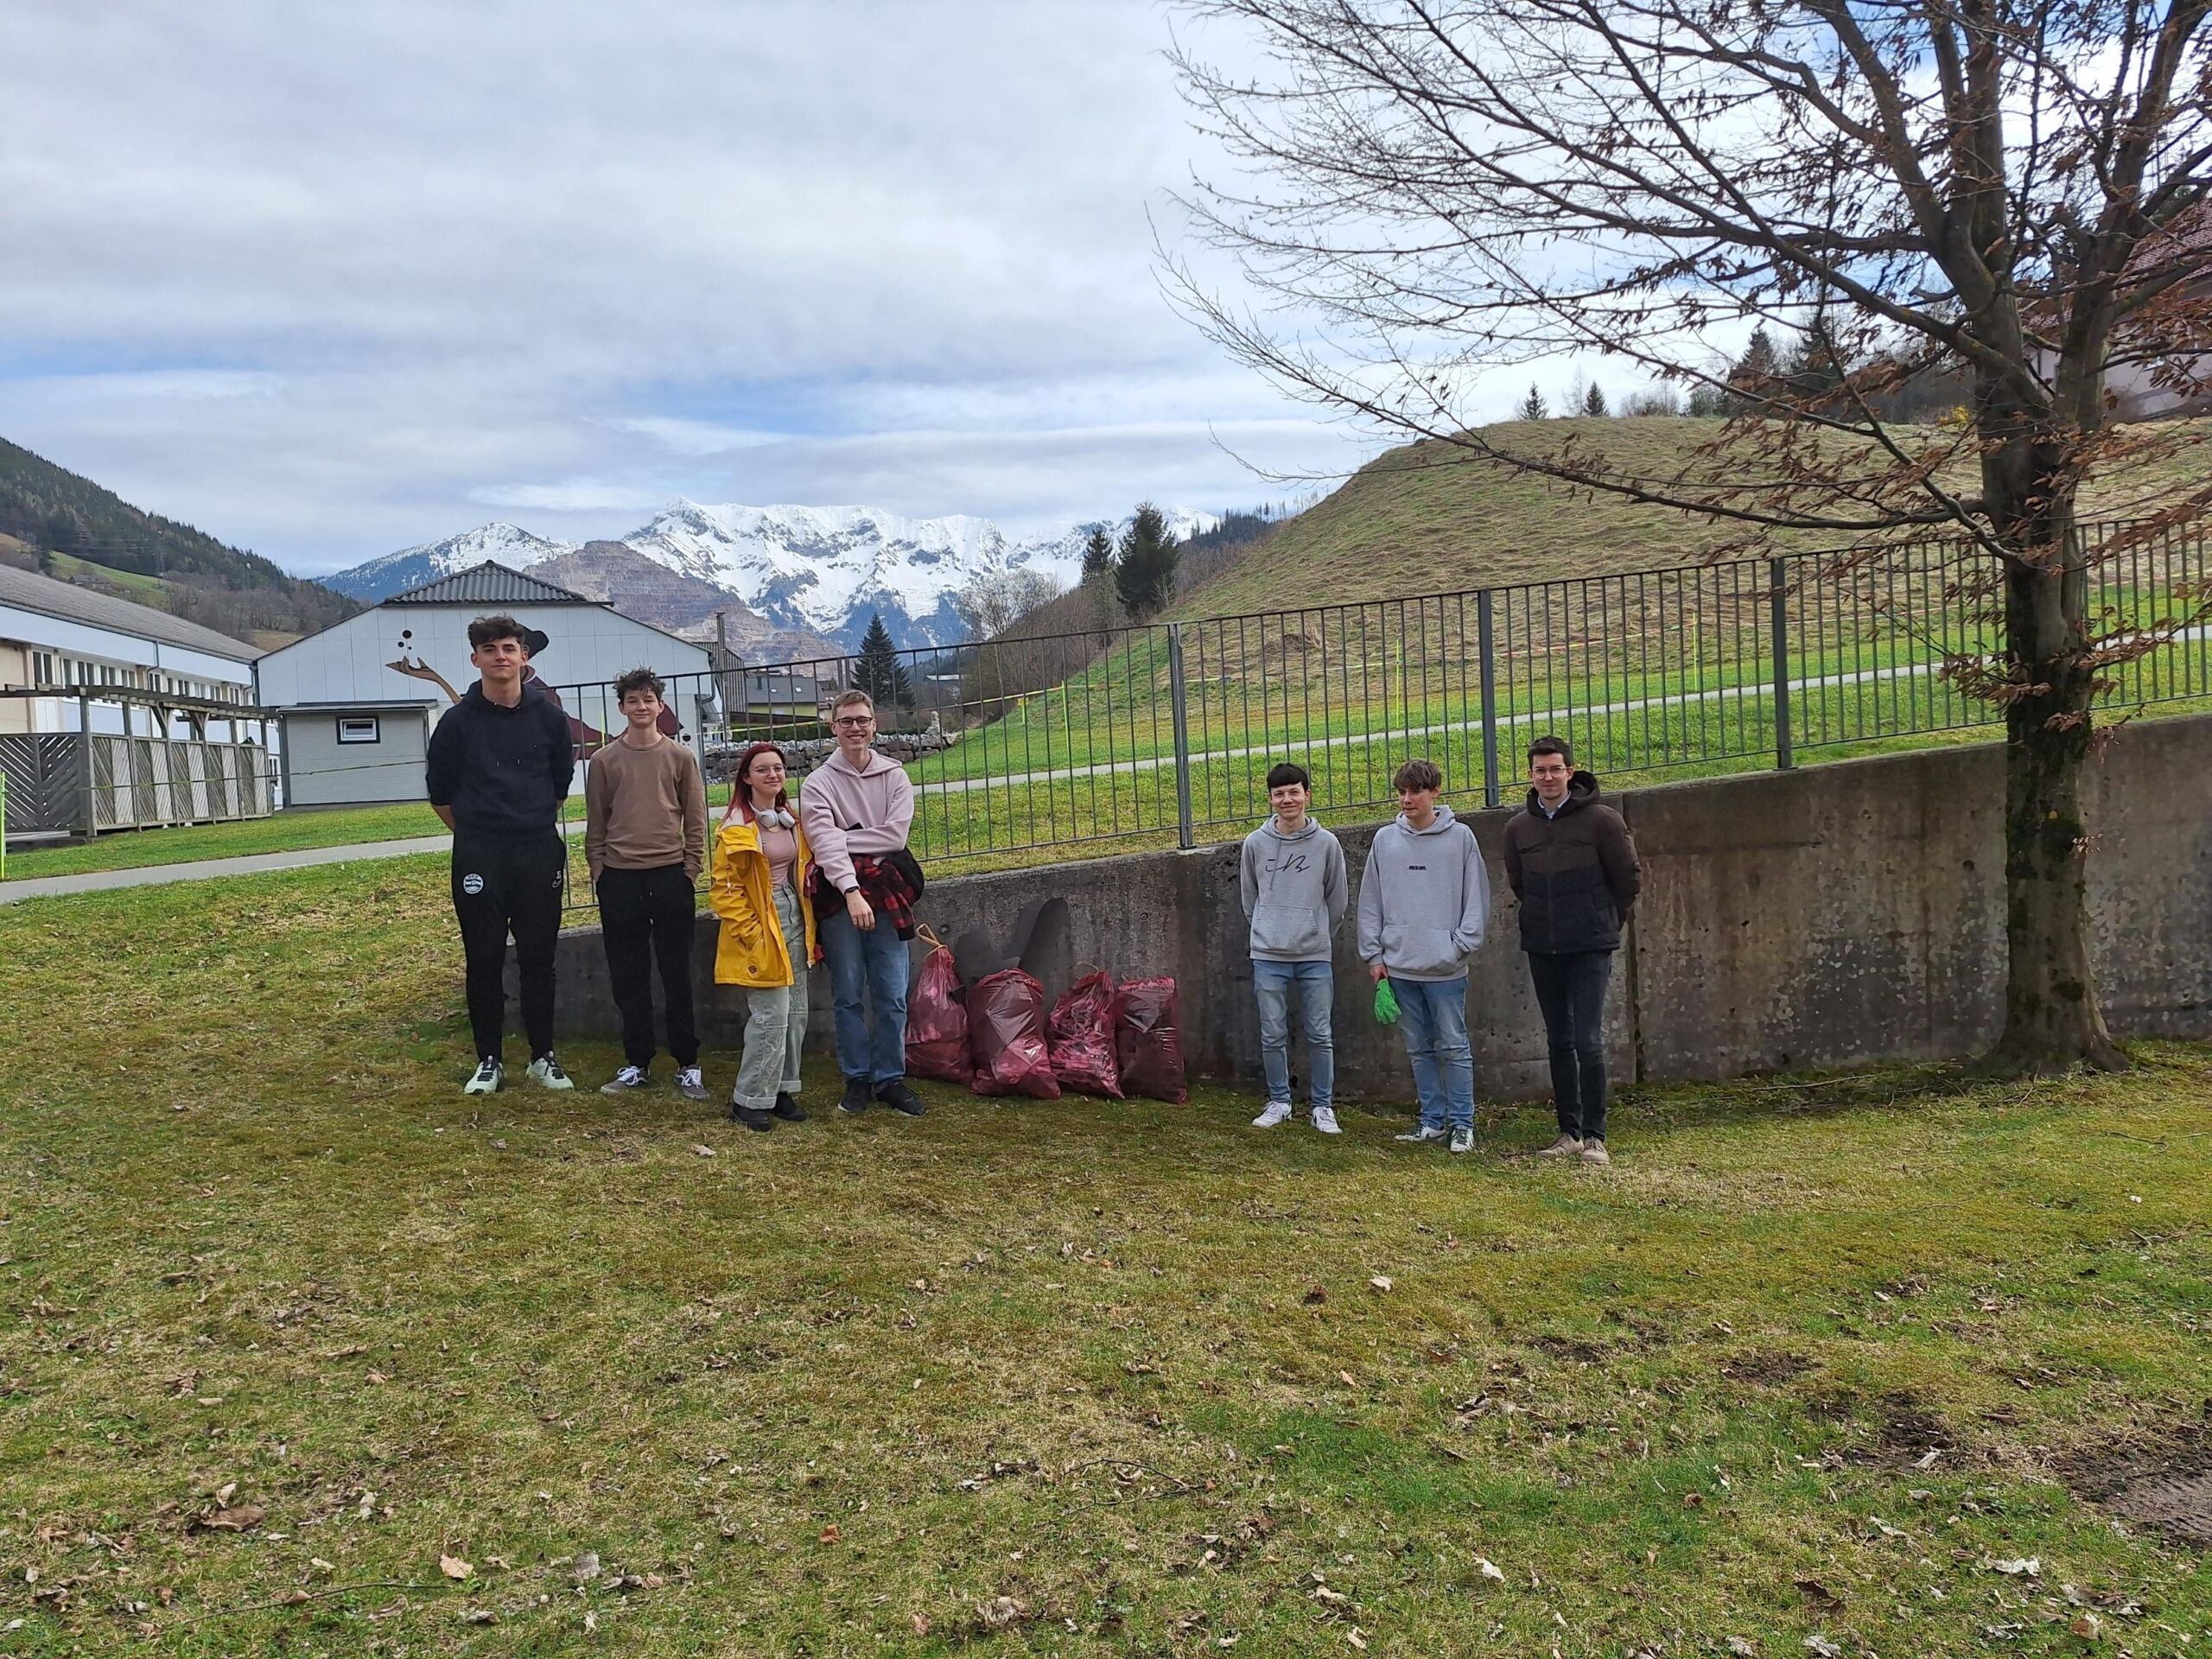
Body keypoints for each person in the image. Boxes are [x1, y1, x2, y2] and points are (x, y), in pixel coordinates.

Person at [425, 613, 578, 1095]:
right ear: (476, 659)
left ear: (523, 656)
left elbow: (560, 784)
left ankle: (542, 1057)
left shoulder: (549, 717)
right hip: (480, 856)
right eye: (489, 649)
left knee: (539, 960)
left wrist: (525, 824)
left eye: (509, 648)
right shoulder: (456, 722)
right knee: (484, 959)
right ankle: (488, 1060)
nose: (500, 657)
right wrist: (480, 833)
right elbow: (440, 793)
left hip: (538, 852)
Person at [1502, 734, 1642, 1166]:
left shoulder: (1602, 821)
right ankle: (1569, 1133)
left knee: (1587, 1040)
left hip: (1590, 945)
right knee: (1559, 1040)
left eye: (1555, 769)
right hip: (1543, 947)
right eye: (1540, 770)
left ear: (1570, 772)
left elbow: (1627, 879)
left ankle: (1596, 1137)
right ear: (1530, 775)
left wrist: (1602, 921)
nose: (1548, 777)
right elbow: (1520, 884)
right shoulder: (1517, 829)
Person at [799, 689, 927, 1117]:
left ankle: (890, 1079)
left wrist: (844, 837)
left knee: (892, 993)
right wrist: (851, 891)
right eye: (846, 721)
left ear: (874, 725)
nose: (855, 728)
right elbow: (822, 845)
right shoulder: (818, 784)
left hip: (889, 897)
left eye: (862, 720)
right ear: (833, 727)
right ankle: (856, 1077)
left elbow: (895, 837)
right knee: (848, 994)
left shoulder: (895, 777)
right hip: (841, 901)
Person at [585, 667, 709, 1101]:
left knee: (677, 972)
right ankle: (637, 1061)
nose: (641, 706)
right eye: (633, 700)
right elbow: (596, 822)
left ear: (661, 706)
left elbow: (696, 818)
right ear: (621, 708)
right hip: (619, 878)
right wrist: (599, 870)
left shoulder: (680, 757)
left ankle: (687, 1062)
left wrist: (691, 869)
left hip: (671, 875)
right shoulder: (604, 760)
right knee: (628, 974)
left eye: (648, 699)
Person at [1357, 757, 1490, 1154]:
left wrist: (1459, 947)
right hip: (1399, 967)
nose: (1407, 799)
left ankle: (1462, 1124)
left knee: (1454, 1046)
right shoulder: (1385, 840)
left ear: (1435, 792)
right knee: (1418, 1048)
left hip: (1446, 969)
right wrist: (1374, 956)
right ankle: (1432, 1121)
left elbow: (1477, 898)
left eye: (1415, 791)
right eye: (1402, 792)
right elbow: (1370, 902)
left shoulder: (1461, 838)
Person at [709, 741, 817, 1131]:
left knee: (796, 1013)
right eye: (763, 769)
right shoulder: (736, 829)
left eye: (778, 768)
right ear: (746, 778)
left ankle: (781, 1089)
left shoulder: (790, 819)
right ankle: (749, 1098)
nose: (773, 775)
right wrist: (751, 931)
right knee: (771, 1015)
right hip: (761, 921)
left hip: (794, 915)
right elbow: (724, 890)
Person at [1240, 762, 1348, 1134]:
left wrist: (1317, 934)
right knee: (1272, 1033)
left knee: (1320, 1033)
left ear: (1307, 795)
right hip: (1268, 955)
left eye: (1294, 792)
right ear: (1271, 799)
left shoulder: (1327, 844)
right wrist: (1266, 929)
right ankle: (1279, 1101)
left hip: (1314, 956)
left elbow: (1337, 899)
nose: (1287, 799)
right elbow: (1249, 899)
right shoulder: (1254, 844)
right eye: (1279, 794)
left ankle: (1323, 1106)